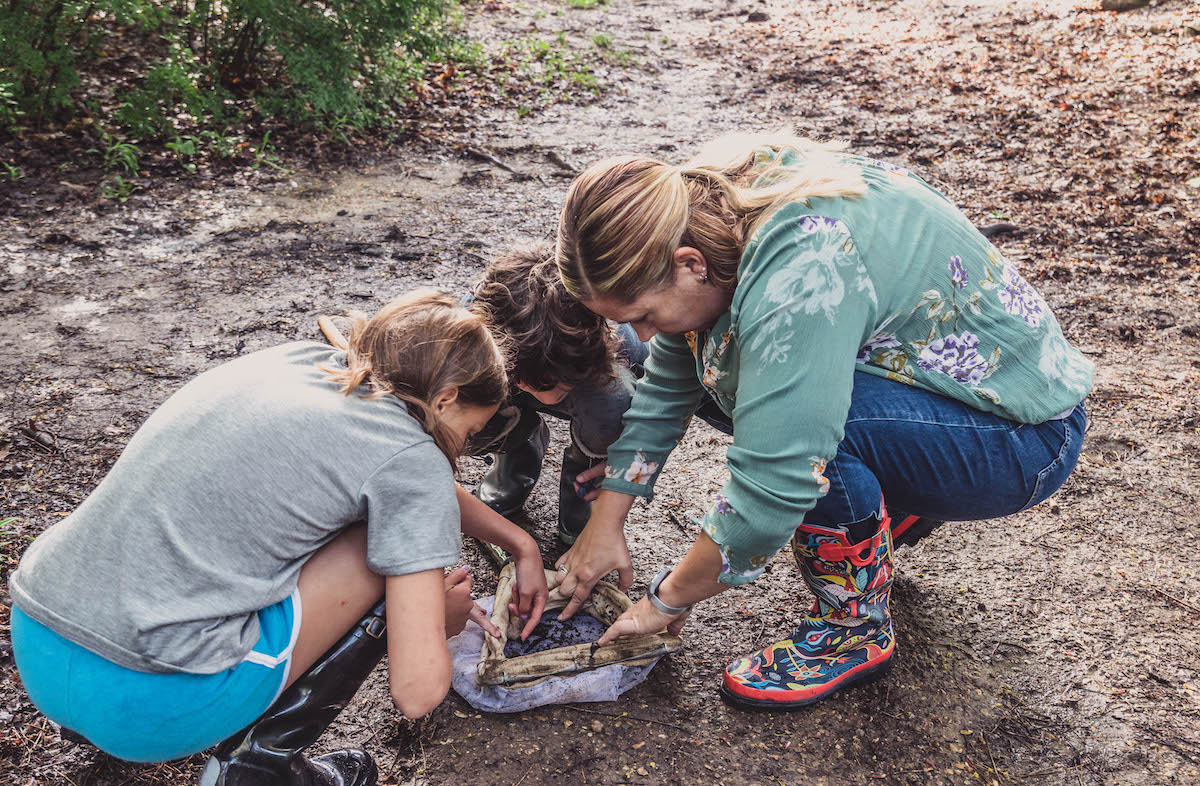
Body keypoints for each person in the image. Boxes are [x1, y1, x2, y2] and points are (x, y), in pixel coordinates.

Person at [551, 131, 1093, 710]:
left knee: (813, 444)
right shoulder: (695, 209)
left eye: (641, 315)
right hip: (940, 396)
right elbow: (672, 372)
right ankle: (878, 510)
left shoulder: (800, 269)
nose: (643, 335)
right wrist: (606, 519)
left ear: (690, 265)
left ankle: (853, 629)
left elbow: (777, 480)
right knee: (732, 380)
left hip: (1021, 439)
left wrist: (666, 601)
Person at [9, 291, 549, 785]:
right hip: (154, 706)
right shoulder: (412, 460)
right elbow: (417, 693)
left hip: (41, 640)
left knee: (367, 511)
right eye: (470, 434)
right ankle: (258, 767)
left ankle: (83, 726)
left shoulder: (300, 363)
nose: (459, 449)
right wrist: (435, 617)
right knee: (381, 544)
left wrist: (519, 543)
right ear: (448, 398)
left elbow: (403, 478)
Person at [466, 245, 649, 546]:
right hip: (502, 366)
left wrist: (623, 461)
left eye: (542, 384)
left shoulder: (621, 346)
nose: (529, 387)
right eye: (524, 382)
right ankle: (516, 452)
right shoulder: (472, 331)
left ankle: (584, 487)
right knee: (468, 402)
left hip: (595, 387)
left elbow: (664, 405)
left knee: (611, 412)